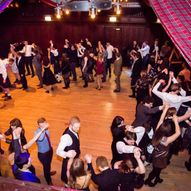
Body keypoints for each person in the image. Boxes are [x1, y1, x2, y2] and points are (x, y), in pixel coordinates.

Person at [145, 105, 181, 187]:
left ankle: (157, 178)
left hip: (156, 155)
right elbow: (178, 133)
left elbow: (161, 119)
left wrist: (165, 109)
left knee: (157, 170)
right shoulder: (166, 140)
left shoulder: (157, 131)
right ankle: (148, 180)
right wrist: (175, 121)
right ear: (168, 131)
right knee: (155, 171)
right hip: (161, 158)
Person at [56, 116, 81, 184]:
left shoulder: (73, 130)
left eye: (79, 127)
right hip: (69, 161)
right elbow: (58, 151)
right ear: (70, 125)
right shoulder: (66, 137)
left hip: (74, 159)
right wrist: (67, 154)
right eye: (76, 127)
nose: (78, 129)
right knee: (68, 178)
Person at [34, 118, 56, 185]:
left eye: (44, 124)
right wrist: (43, 129)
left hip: (49, 150)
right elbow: (40, 138)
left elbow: (47, 138)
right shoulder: (36, 133)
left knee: (48, 165)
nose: (43, 126)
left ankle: (48, 173)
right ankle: (48, 181)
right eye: (41, 126)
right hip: (43, 154)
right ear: (38, 125)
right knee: (46, 168)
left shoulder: (46, 129)